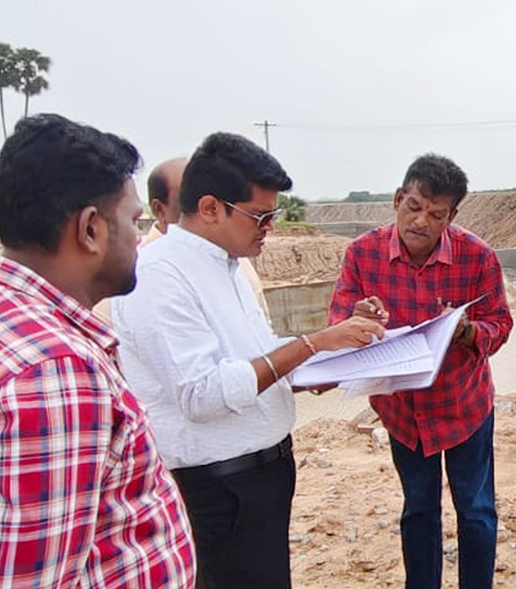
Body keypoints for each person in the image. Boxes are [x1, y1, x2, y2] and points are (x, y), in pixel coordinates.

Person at [113, 132, 385, 588]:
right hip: (218, 488)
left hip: (263, 475)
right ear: (210, 208)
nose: (270, 227)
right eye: (261, 216)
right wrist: (312, 344)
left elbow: (257, 357)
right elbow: (202, 395)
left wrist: (329, 358)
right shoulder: (160, 276)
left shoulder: (229, 264)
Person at [0, 114, 195, 586]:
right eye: (133, 221)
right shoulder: (56, 370)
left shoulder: (18, 322)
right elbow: (36, 577)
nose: (139, 238)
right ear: (90, 229)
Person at [329, 153, 513, 589]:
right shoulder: (362, 254)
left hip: (464, 407)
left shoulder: (477, 257)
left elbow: (500, 325)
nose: (421, 222)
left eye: (436, 214)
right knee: (418, 510)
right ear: (397, 199)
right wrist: (358, 320)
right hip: (402, 412)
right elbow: (337, 325)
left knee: (476, 511)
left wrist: (466, 331)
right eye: (414, 207)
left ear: (452, 216)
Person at [93, 157, 268, 324]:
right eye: (190, 204)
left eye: (214, 205)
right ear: (159, 210)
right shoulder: (132, 271)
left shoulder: (236, 263)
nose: (207, 214)